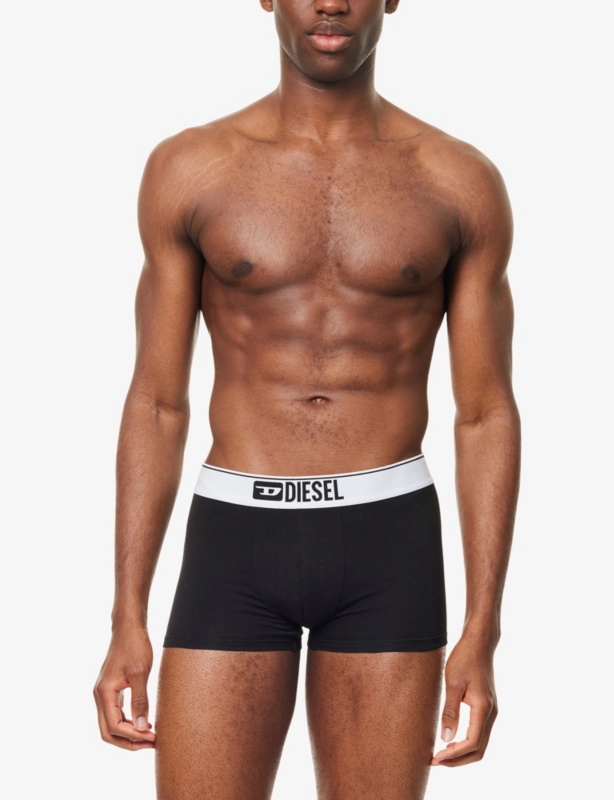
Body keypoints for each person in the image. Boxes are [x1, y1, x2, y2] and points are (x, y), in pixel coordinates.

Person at [94, 1, 521, 797]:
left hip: (387, 541)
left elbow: (484, 413)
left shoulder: (458, 181)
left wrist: (483, 630)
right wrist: (127, 615)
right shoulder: (192, 169)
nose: (331, 1)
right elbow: (156, 401)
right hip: (235, 539)